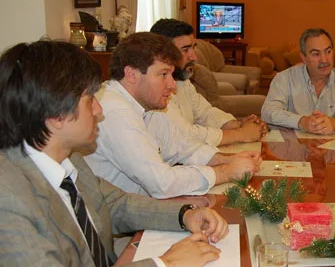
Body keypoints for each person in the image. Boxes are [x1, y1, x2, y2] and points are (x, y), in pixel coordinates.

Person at [0, 40, 230, 267]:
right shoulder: (6, 194)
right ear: (55, 115)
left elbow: (118, 204)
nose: (99, 109)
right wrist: (167, 265)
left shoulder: (69, 158)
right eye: (89, 99)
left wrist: (186, 214)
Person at [85, 32, 261, 198]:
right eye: (163, 74)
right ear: (131, 74)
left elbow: (181, 146)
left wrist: (229, 159)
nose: (172, 85)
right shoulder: (114, 112)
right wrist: (226, 171)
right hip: (124, 224)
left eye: (171, 74)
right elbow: (161, 183)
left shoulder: (145, 103)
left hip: (145, 207)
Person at [147, 18, 267, 147]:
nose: (194, 57)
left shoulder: (182, 80)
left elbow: (204, 113)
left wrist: (237, 125)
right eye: (185, 49)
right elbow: (184, 135)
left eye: (193, 48)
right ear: (163, 53)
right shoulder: (153, 89)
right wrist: (241, 134)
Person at [261, 28, 335, 134]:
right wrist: (301, 121)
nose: (324, 60)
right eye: (316, 54)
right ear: (304, 58)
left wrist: (334, 123)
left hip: (334, 148)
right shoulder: (284, 79)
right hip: (295, 148)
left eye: (328, 51)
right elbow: (268, 112)